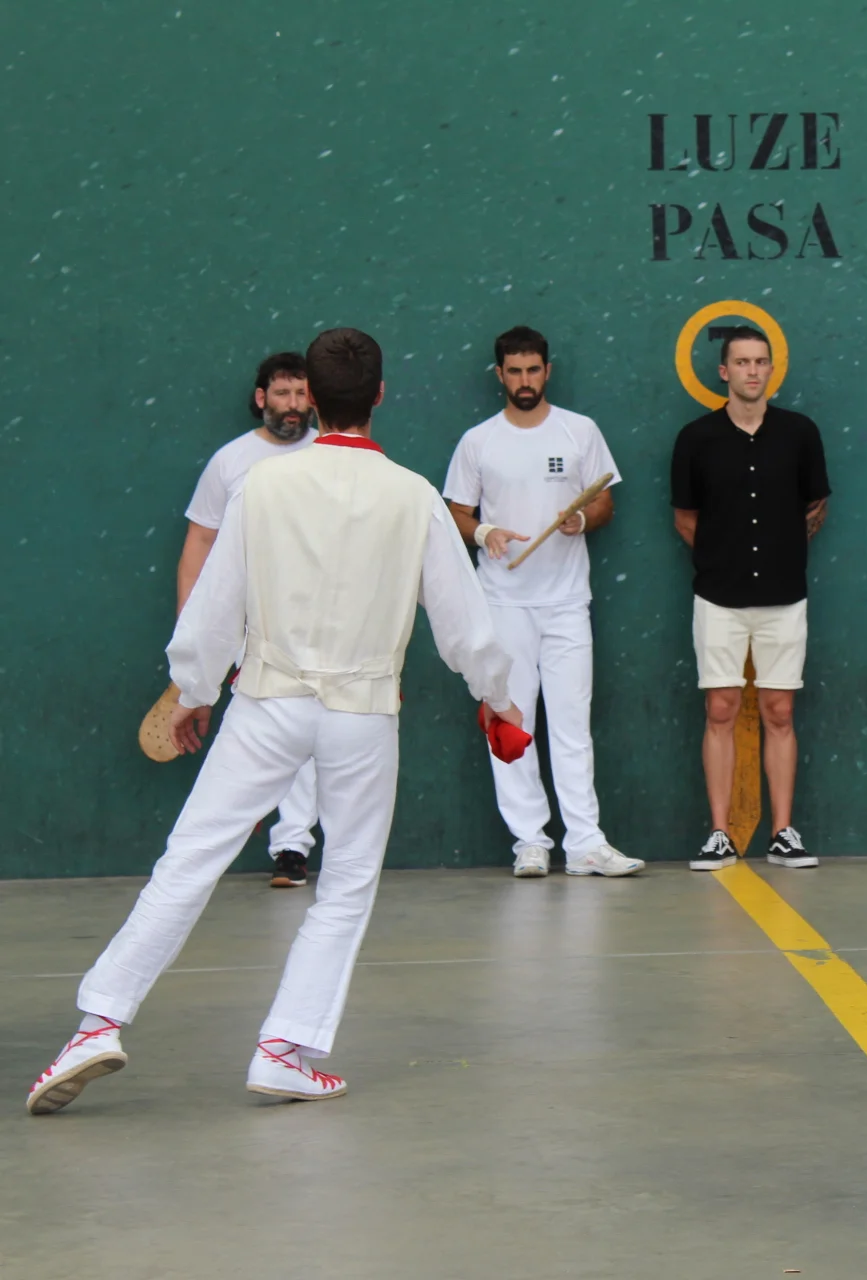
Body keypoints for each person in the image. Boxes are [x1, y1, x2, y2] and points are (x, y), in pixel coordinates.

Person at [28, 328, 520, 1113]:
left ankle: (97, 1027)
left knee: (188, 860)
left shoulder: (261, 485)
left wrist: (193, 693)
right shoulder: (415, 497)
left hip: (266, 704)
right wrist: (498, 698)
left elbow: (213, 611)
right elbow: (467, 630)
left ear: (311, 398)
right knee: (346, 883)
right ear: (380, 395)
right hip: (363, 717)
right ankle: (284, 1050)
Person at [443, 326, 639, 879]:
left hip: (566, 603)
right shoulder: (478, 441)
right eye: (515, 371)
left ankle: (585, 844)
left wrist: (581, 519)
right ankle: (529, 841)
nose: (524, 381)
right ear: (500, 375)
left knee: (573, 724)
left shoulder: (580, 431)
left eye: (533, 370)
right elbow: (456, 513)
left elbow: (604, 503)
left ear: (547, 371)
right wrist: (485, 533)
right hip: (503, 604)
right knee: (513, 722)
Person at [670, 326, 831, 870]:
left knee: (779, 711)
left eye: (761, 361)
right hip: (718, 597)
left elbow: (816, 507)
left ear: (771, 370)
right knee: (720, 708)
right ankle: (719, 833)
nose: (752, 370)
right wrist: (725, 558)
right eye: (742, 362)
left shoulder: (800, 433)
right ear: (724, 371)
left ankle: (783, 832)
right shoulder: (695, 438)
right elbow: (685, 518)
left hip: (785, 597)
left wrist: (779, 554)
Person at [177, 352, 322, 888]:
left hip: (315, 620)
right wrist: (190, 627)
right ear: (262, 398)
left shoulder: (328, 455)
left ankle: (292, 846)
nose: (293, 405)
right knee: (254, 730)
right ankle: (204, 853)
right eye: (282, 394)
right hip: (245, 622)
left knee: (309, 729)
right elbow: (200, 541)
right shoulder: (231, 461)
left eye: (301, 394)